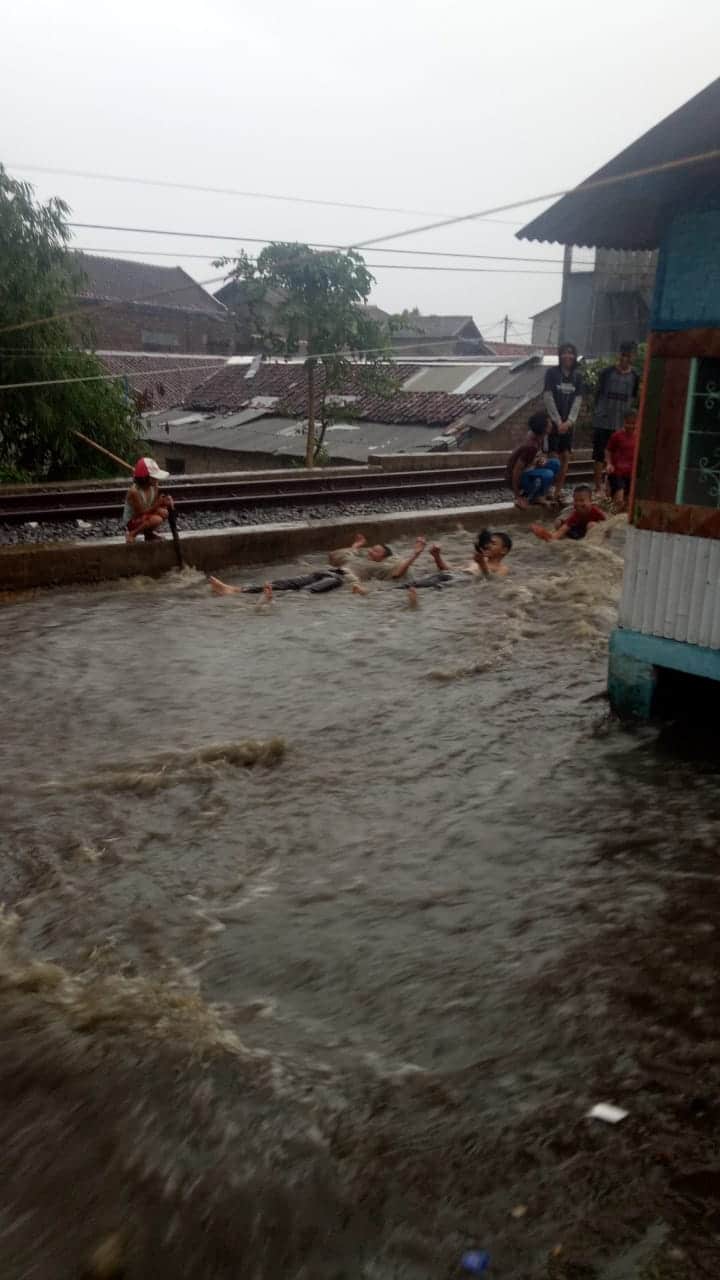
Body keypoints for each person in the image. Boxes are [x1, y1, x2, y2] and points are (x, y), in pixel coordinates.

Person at [208, 533, 428, 596]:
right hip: (328, 571)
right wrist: (356, 544)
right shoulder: (357, 557)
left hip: (341, 579)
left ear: (383, 557)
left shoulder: (382, 567)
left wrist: (415, 554)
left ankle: (271, 601)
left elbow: (399, 572)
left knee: (305, 592)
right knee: (287, 582)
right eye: (372, 548)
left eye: (376, 550)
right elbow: (335, 556)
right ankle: (236, 590)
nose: (372, 550)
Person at [592, 342, 639, 494]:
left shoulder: (634, 376)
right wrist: (599, 413)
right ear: (619, 355)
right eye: (623, 355)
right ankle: (597, 487)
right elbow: (598, 394)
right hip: (604, 421)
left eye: (629, 355)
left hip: (622, 424)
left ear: (633, 357)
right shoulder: (607, 373)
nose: (625, 359)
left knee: (619, 456)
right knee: (599, 454)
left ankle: (614, 488)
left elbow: (633, 397)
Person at [543, 343, 584, 500]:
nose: (568, 356)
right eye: (565, 353)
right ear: (560, 356)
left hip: (568, 424)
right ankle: (547, 489)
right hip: (553, 423)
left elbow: (578, 400)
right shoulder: (552, 373)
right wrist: (558, 421)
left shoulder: (578, 376)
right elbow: (548, 396)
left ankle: (558, 491)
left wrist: (570, 422)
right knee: (552, 455)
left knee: (565, 455)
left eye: (571, 353)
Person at [409, 529, 512, 588]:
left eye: (493, 544)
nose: (488, 545)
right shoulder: (476, 561)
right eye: (488, 542)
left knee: (436, 586)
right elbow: (449, 570)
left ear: (504, 550)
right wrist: (437, 556)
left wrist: (481, 564)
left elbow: (491, 580)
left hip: (464, 580)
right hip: (453, 575)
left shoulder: (502, 568)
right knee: (414, 584)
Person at [506, 412, 561, 509]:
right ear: (543, 428)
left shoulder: (539, 436)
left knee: (555, 463)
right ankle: (535, 497)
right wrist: (517, 496)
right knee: (548, 474)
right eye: (548, 422)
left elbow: (538, 455)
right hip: (520, 477)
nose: (551, 424)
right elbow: (516, 471)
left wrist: (540, 459)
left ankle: (542, 493)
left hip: (529, 469)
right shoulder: (531, 446)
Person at [123, 457, 173, 544]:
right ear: (145, 478)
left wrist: (165, 502)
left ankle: (149, 534)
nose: (157, 479)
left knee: (164, 512)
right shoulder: (134, 492)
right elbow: (140, 513)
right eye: (154, 477)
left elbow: (152, 505)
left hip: (145, 515)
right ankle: (132, 534)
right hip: (133, 520)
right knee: (156, 519)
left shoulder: (154, 487)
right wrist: (158, 505)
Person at [531, 484, 606, 542]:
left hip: (590, 534)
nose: (579, 503)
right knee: (558, 524)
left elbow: (608, 525)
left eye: (582, 500)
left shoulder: (597, 512)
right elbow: (561, 531)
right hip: (578, 533)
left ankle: (589, 543)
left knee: (591, 525)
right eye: (576, 500)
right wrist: (546, 536)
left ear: (590, 501)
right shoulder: (576, 515)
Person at [605, 409, 638, 511]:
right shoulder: (617, 436)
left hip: (631, 473)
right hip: (618, 472)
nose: (631, 426)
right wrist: (609, 463)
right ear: (624, 422)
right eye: (628, 423)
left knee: (628, 502)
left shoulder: (638, 436)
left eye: (633, 423)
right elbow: (608, 450)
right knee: (619, 499)